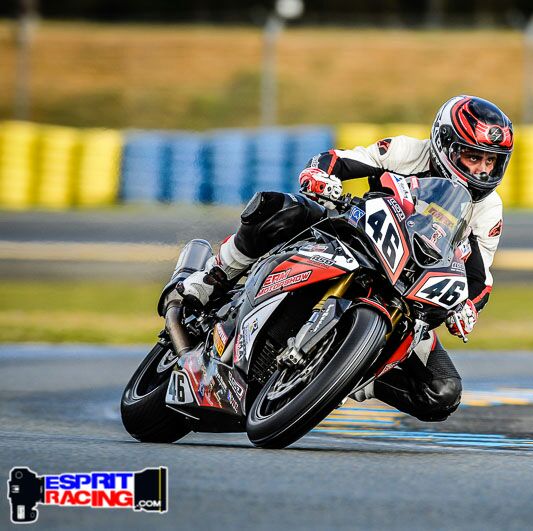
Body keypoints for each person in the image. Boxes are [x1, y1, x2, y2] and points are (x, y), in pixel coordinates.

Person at [177, 95, 513, 422]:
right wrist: (320, 175)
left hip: (409, 288)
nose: (482, 170)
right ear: (445, 144)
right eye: (473, 156)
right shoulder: (408, 151)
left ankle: (350, 372)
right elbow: (339, 160)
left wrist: (467, 308)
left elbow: (478, 278)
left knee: (442, 392)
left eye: (491, 162)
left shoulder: (488, 210)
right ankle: (214, 276)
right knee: (280, 207)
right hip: (355, 235)